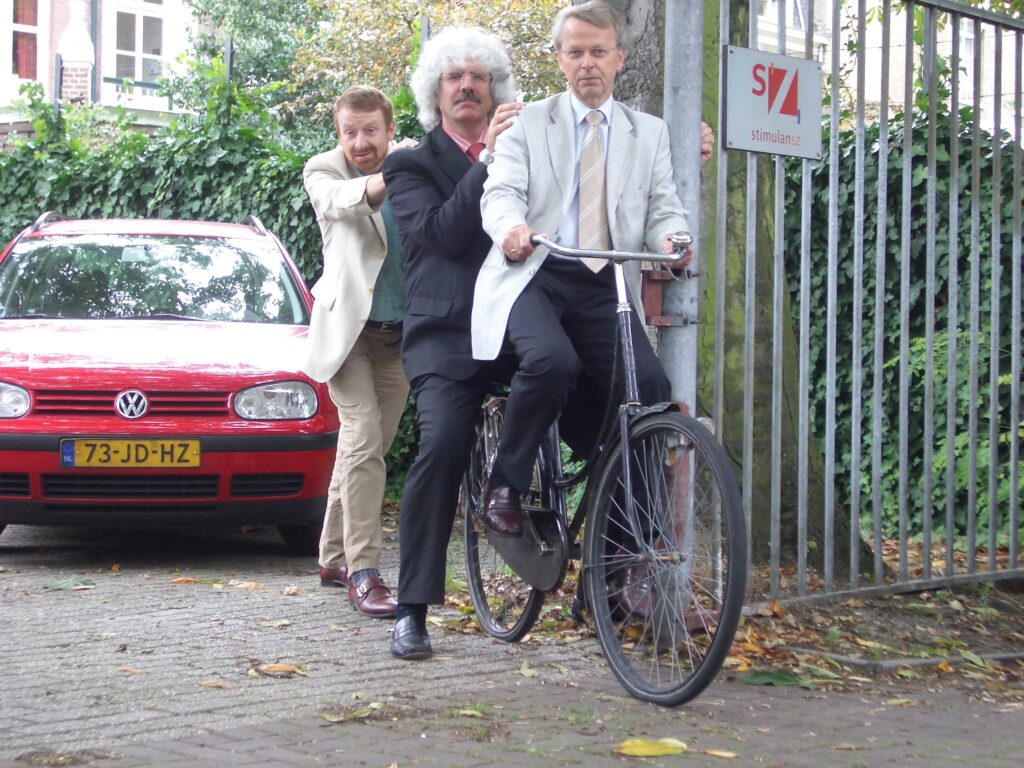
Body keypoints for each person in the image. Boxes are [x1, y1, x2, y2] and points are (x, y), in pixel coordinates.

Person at [471, 0, 692, 548]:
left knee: (651, 391)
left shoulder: (650, 133)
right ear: (560, 61)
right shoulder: (528, 123)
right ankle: (504, 486)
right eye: (576, 53)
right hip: (536, 270)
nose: (587, 63)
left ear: (619, 58)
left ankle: (630, 555)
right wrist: (511, 228)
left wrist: (673, 241)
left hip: (604, 280)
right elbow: (499, 191)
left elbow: (664, 208)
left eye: (598, 52)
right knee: (551, 361)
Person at [381, 27, 522, 659]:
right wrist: (487, 158)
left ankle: (614, 577)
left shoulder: (526, 147)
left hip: (523, 322)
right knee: (439, 446)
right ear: (435, 93)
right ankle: (412, 608)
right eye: (454, 77)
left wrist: (694, 146)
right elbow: (441, 234)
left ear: (497, 90)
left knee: (601, 402)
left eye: (480, 76)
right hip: (448, 334)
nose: (467, 86)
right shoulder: (410, 163)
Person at [302, 85, 413, 619]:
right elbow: (341, 202)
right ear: (338, 133)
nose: (361, 142)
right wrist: (404, 170)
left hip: (400, 338)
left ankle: (329, 555)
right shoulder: (323, 170)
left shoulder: (412, 161)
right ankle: (363, 572)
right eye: (350, 131)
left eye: (371, 130)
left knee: (367, 449)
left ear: (390, 129)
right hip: (348, 336)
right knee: (364, 438)